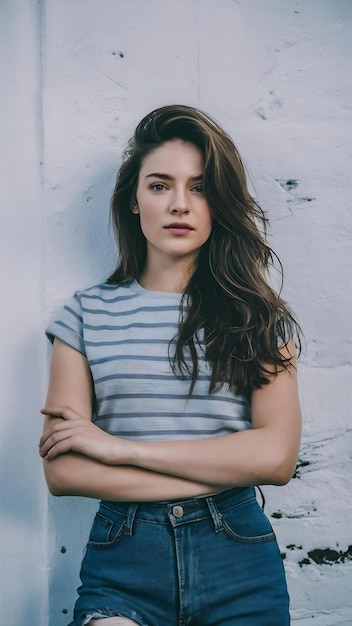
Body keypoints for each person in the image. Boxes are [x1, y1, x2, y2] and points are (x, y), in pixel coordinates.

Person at [39, 104, 302, 626]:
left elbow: (275, 459)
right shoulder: (85, 314)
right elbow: (64, 469)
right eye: (159, 185)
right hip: (124, 559)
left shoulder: (258, 316)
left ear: (218, 204)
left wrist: (117, 449)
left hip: (239, 562)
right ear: (134, 201)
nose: (180, 204)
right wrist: (226, 464)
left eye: (199, 187)